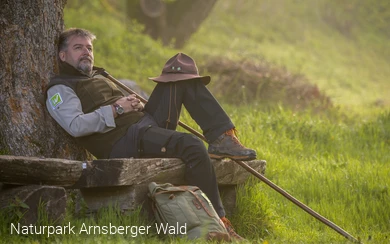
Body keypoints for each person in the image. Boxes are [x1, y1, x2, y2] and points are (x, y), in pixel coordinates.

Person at [46, 28, 256, 241]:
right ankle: (217, 224)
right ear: (63, 56)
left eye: (89, 48)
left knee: (181, 73)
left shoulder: (99, 76)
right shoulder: (60, 89)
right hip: (125, 141)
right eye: (78, 47)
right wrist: (117, 109)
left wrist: (132, 104)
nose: (86, 52)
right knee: (192, 145)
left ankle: (223, 137)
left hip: (143, 124)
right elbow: (75, 125)